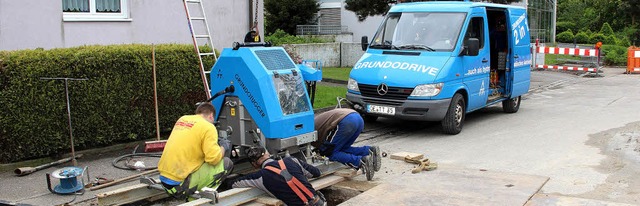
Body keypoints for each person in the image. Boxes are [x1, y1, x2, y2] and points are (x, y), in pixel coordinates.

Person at [158, 102, 233, 201]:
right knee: (227, 163)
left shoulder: (183, 119)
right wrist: (223, 147)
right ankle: (195, 199)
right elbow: (213, 159)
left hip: (164, 180)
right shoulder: (209, 127)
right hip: (179, 186)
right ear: (211, 116)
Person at [230, 147, 327, 206]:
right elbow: (317, 172)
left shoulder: (260, 177)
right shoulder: (291, 160)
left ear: (254, 164)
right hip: (319, 202)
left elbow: (234, 184)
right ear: (268, 154)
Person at [313, 108, 381, 180]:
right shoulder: (313, 122)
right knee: (343, 149)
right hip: (357, 118)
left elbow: (322, 148)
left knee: (330, 153)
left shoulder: (309, 131)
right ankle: (369, 151)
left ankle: (360, 161)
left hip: (346, 121)